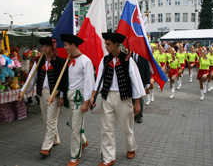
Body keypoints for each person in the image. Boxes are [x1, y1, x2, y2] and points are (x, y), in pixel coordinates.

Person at [90, 33, 145, 166]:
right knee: (106, 127)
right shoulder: (105, 60)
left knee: (126, 126)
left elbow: (135, 81)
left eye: (108, 44)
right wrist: (93, 95)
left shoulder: (127, 60)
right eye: (105, 44)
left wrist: (137, 102)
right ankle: (109, 157)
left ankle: (131, 147)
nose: (106, 47)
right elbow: (99, 80)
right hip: (107, 97)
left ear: (116, 44)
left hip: (124, 98)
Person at [51, 34, 95, 166]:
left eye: (65, 45)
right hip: (68, 96)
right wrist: (60, 96)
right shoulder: (67, 61)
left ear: (73, 45)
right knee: (71, 124)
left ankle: (75, 156)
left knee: (76, 127)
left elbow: (89, 82)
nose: (64, 48)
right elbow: (64, 81)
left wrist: (86, 101)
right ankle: (83, 141)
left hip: (79, 97)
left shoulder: (85, 61)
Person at [20, 37, 65, 156]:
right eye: (43, 46)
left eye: (47, 46)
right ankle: (55, 139)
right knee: (46, 119)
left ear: (52, 47)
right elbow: (31, 77)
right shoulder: (38, 61)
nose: (44, 48)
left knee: (51, 119)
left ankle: (46, 146)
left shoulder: (60, 61)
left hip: (53, 94)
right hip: (41, 93)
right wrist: (23, 91)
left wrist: (61, 95)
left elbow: (64, 81)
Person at [132, 52, 151, 123]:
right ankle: (133, 114)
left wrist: (147, 82)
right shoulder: (130, 55)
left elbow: (147, 69)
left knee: (139, 98)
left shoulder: (143, 55)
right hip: (132, 80)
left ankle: (139, 116)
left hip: (141, 80)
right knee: (132, 98)